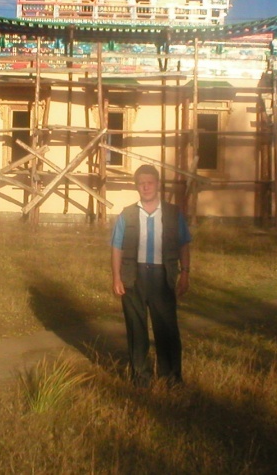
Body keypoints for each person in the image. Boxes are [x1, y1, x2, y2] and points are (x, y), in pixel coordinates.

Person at [111, 164, 191, 387]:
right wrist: (117, 277)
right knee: (136, 329)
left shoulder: (173, 214)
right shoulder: (126, 214)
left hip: (162, 277)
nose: (145, 186)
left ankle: (171, 378)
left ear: (157, 185)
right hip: (133, 277)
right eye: (141, 183)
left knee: (166, 328)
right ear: (137, 186)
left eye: (150, 182)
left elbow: (184, 244)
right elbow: (116, 246)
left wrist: (184, 273)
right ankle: (141, 377)